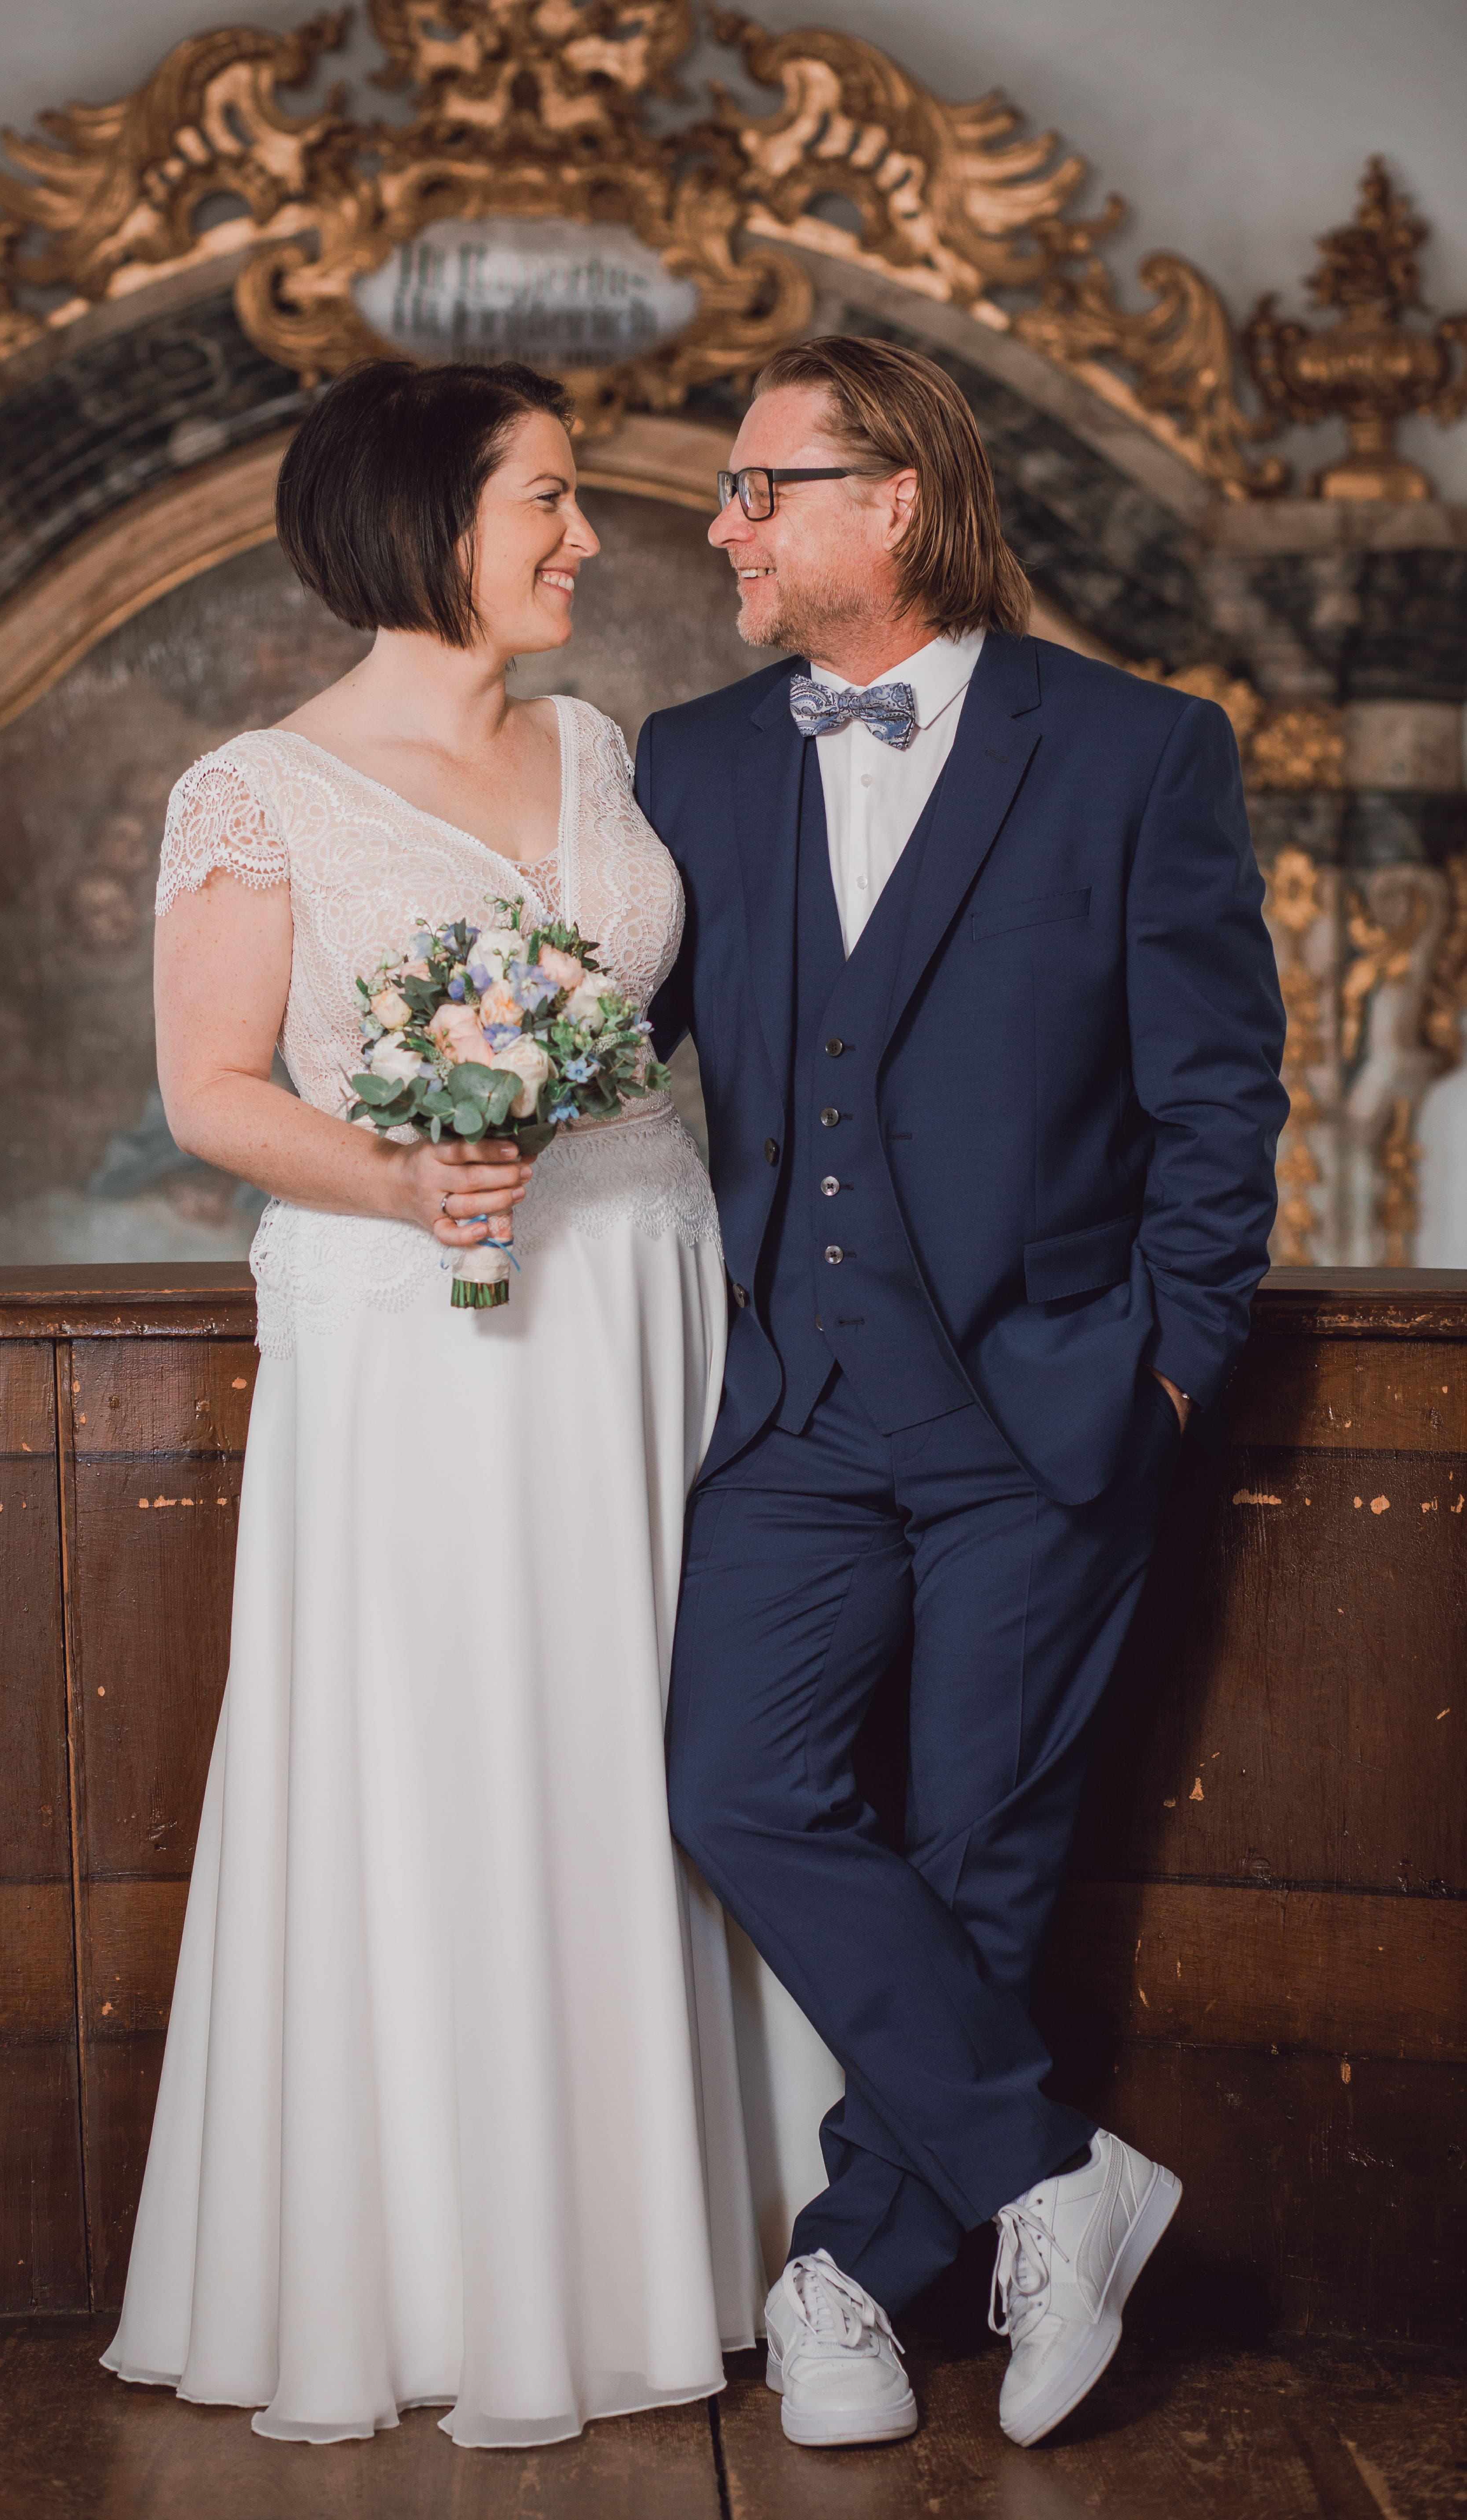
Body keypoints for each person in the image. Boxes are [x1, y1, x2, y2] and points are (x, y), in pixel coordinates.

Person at [102, 357, 766, 2446]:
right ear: (422, 524)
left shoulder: (598, 744)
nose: (584, 538)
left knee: (665, 1739)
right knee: (455, 1742)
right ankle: (450, 2261)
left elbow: (675, 1045)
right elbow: (211, 1091)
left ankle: (694, 2236)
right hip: (428, 1336)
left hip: (653, 1293)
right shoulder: (260, 790)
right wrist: (403, 1170)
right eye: (546, 502)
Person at [638, 335, 1287, 2452]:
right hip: (793, 1412)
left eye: (759, 488)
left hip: (1048, 1400)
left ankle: (845, 2272)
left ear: (891, 496)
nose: (722, 524)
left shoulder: (1134, 751)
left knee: (983, 1845)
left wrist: (1178, 1364)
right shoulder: (692, 759)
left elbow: (1219, 1091)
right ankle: (1054, 2172)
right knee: (737, 1784)